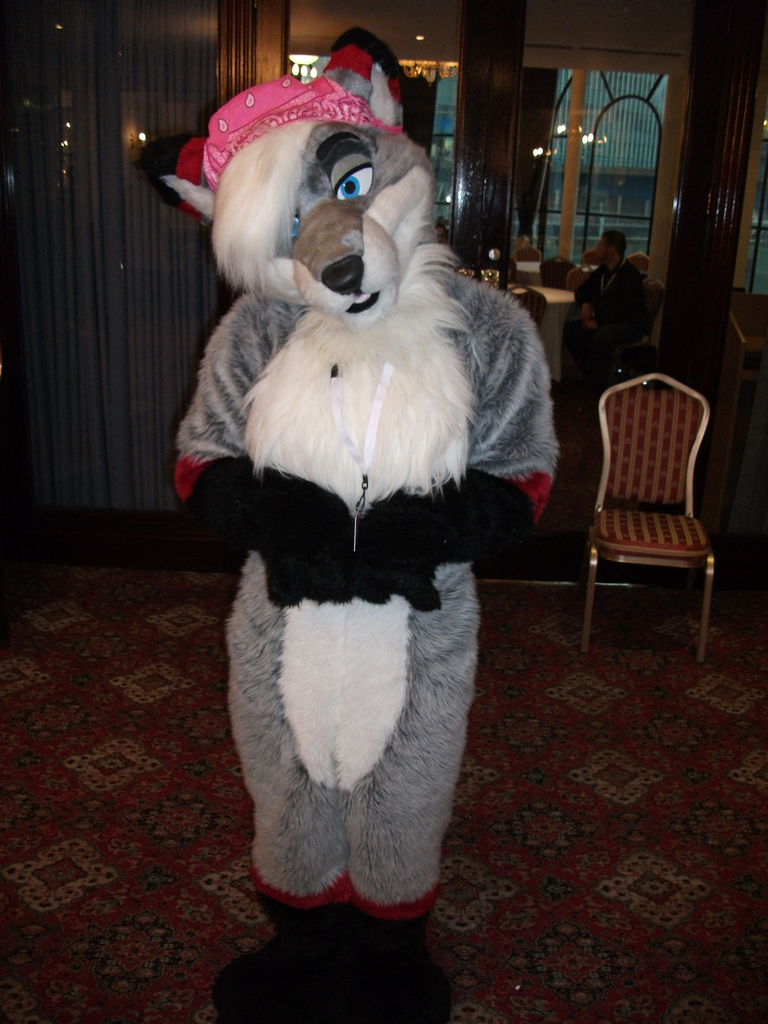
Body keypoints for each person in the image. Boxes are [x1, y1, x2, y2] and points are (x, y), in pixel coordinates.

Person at [563, 229, 649, 389]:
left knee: (602, 336)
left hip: (630, 324)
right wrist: (585, 304)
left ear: (611, 249)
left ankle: (601, 380)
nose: (597, 248)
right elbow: (582, 291)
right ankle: (590, 371)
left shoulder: (630, 275)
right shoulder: (602, 271)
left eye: (600, 245)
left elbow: (624, 311)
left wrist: (598, 324)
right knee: (570, 329)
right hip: (607, 321)